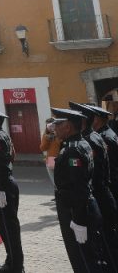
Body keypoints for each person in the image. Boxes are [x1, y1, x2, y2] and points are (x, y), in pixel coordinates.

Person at [51, 106, 105, 273]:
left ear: (67, 126)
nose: (54, 128)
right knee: (87, 258)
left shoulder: (72, 150)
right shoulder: (79, 143)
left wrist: (79, 221)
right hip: (80, 208)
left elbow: (78, 187)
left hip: (76, 211)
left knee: (83, 260)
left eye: (57, 124)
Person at [70, 102, 118, 269]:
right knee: (106, 242)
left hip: (102, 194)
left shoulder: (97, 138)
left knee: (108, 243)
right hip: (104, 193)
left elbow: (98, 174)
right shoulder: (98, 136)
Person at [0, 106, 24, 273]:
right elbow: (12, 156)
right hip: (6, 184)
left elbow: (0, 164)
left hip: (3, 186)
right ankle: (12, 260)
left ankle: (16, 266)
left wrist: (0, 188)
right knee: (7, 227)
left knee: (8, 228)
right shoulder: (3, 135)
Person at [41, 118, 61, 190]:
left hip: (59, 158)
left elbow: (60, 144)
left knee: (59, 179)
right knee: (55, 180)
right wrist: (46, 137)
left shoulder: (60, 133)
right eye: (48, 126)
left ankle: (59, 191)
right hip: (51, 159)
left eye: (52, 125)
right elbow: (43, 148)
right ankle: (58, 191)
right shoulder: (46, 135)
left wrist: (55, 135)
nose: (50, 127)